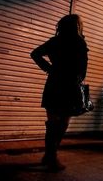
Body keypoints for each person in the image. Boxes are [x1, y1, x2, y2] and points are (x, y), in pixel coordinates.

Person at [30, 14, 88, 171]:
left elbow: (35, 54)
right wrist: (78, 78)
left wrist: (50, 69)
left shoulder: (56, 41)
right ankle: (51, 157)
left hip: (54, 84)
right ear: (77, 26)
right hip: (70, 87)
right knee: (63, 124)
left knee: (52, 123)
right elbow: (83, 70)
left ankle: (49, 155)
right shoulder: (80, 43)